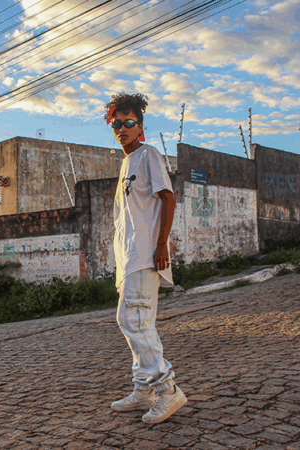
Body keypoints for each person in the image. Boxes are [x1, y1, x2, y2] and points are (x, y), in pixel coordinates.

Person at [105, 92, 187, 424]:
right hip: (130, 258)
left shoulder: (148, 154)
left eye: (128, 122)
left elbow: (168, 197)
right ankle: (143, 390)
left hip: (145, 254)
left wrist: (162, 245)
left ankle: (167, 390)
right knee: (138, 322)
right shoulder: (126, 163)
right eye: (116, 124)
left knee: (134, 322)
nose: (122, 129)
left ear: (140, 126)